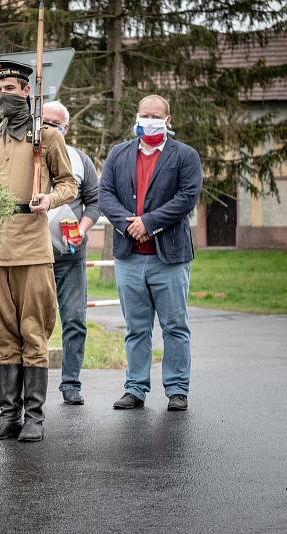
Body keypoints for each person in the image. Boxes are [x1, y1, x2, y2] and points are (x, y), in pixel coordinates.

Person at [0, 60, 77, 442]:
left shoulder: (46, 137)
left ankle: (34, 415)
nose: (3, 95)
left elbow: (70, 183)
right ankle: (8, 414)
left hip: (32, 245)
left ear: (27, 92)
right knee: (3, 334)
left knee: (33, 332)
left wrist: (49, 198)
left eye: (11, 89)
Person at [99, 94, 202, 412]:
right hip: (130, 256)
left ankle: (177, 389)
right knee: (136, 327)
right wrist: (129, 225)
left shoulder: (184, 155)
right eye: (145, 115)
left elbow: (187, 197)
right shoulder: (119, 153)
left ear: (168, 121)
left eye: (156, 116)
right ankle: (135, 387)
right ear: (136, 116)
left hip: (168, 257)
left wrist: (149, 223)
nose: (149, 120)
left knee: (175, 325)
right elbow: (105, 194)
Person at [42, 100, 101, 405]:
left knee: (75, 319)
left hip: (70, 255)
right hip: (34, 257)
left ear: (66, 128)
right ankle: (31, 389)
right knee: (34, 323)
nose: (50, 128)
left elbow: (94, 200)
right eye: (45, 122)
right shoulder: (30, 157)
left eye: (56, 124)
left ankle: (71, 384)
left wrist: (83, 227)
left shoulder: (80, 159)